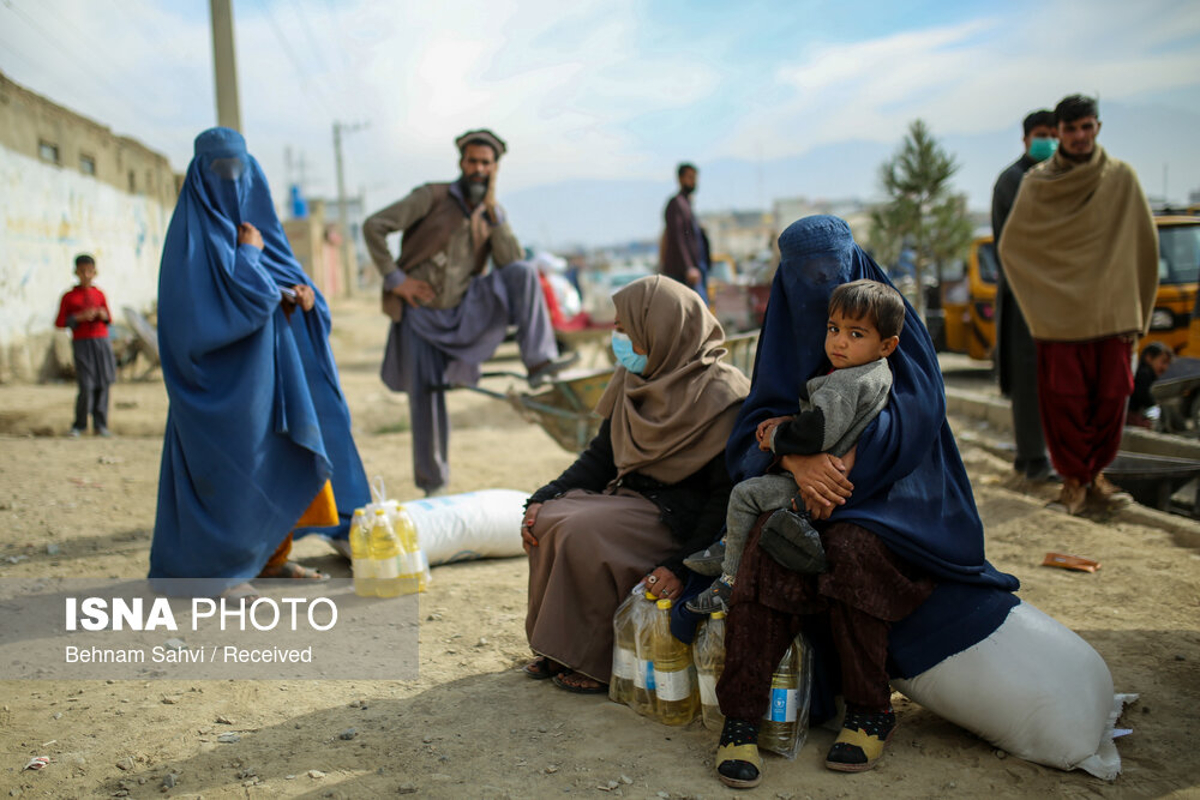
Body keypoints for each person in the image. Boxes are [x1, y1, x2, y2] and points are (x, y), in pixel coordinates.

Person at [712, 215, 1019, 788]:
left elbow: (916, 414)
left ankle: (870, 709)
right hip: (798, 488)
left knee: (853, 550)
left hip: (890, 495)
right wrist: (796, 461)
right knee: (763, 550)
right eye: (807, 278)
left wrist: (841, 466)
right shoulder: (785, 334)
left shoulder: (884, 317)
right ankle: (741, 718)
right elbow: (757, 422)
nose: (835, 329)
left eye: (833, 272)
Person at [149, 127, 371, 595]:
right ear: (199, 175)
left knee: (277, 459)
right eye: (218, 170)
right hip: (223, 385)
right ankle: (220, 572)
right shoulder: (192, 241)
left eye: (238, 170)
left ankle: (271, 560)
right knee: (235, 468)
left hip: (277, 379)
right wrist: (249, 258)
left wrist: (307, 301)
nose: (230, 181)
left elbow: (288, 289)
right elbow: (207, 316)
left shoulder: (262, 230)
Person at [520, 276, 750, 693]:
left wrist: (684, 566)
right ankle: (558, 647)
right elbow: (599, 458)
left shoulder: (724, 393)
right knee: (547, 520)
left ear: (661, 328)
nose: (617, 337)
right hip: (630, 499)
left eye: (626, 328)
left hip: (679, 520)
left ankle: (595, 661)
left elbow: (724, 497)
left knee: (579, 531)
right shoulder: (634, 378)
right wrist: (541, 497)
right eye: (617, 326)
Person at [363, 129, 573, 496]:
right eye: (472, 161)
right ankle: (433, 486)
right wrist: (397, 280)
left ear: (495, 169)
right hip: (422, 315)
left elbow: (510, 264)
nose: (477, 168)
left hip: (467, 313)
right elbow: (374, 227)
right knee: (426, 398)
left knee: (524, 272)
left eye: (485, 164)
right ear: (461, 163)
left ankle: (539, 362)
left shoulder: (491, 213)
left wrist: (494, 213)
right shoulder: (431, 196)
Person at [685, 279, 904, 614]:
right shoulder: (879, 372)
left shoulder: (844, 382)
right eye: (833, 329)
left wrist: (776, 438)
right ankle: (730, 546)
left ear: (887, 345)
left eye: (855, 334)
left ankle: (728, 580)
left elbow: (817, 434)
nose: (839, 342)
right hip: (844, 484)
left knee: (745, 494)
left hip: (813, 491)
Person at [999, 95, 1159, 515]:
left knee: (1111, 400)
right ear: (1061, 132)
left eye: (1087, 127)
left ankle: (1097, 478)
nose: (1079, 136)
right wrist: (1043, 302)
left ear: (1098, 128)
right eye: (1071, 129)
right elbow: (1014, 249)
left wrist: (1137, 308)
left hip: (1112, 313)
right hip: (1059, 320)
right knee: (1064, 403)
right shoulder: (1037, 183)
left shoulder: (1121, 178)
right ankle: (1072, 480)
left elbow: (1144, 244)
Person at [991, 109, 1058, 482]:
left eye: (1053, 134)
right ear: (1026, 138)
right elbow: (1014, 245)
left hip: (1052, 297)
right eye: (1042, 134)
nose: (1048, 141)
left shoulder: (1053, 177)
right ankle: (1033, 458)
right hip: (1023, 296)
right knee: (1028, 377)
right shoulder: (1013, 180)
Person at [55, 254, 116, 437]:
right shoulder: (69, 297)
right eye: (82, 271)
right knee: (86, 385)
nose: (86, 275)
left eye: (89, 271)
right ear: (76, 272)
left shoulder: (99, 294)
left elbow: (109, 318)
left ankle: (100, 425)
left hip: (101, 341)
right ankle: (80, 425)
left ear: (95, 272)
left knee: (103, 382)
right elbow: (59, 322)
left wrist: (101, 315)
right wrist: (79, 318)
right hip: (82, 342)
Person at [660, 162, 711, 303]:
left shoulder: (686, 204)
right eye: (689, 177)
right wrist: (689, 267)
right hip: (684, 272)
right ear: (680, 179)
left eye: (695, 177)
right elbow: (678, 238)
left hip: (696, 268)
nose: (693, 181)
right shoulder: (676, 204)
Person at [1127, 341, 1173, 428]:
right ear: (1149, 358)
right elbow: (1144, 396)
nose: (1165, 368)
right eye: (1163, 362)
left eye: (1167, 364)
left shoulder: (1145, 374)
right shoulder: (1144, 374)